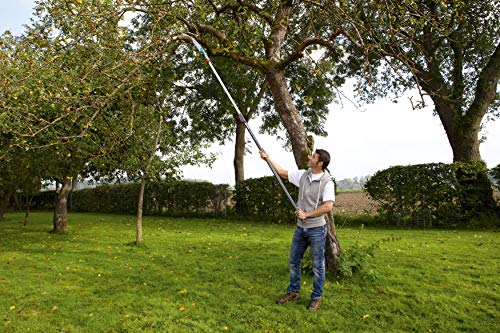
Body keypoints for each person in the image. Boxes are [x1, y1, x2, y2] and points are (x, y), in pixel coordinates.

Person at [259, 149, 335, 311]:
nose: (309, 157)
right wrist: (268, 157)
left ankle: (316, 297)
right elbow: (282, 172)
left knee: (317, 265)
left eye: (313, 157)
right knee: (294, 261)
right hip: (301, 229)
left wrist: (307, 214)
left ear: (320, 163)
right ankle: (293, 292)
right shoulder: (304, 175)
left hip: (317, 229)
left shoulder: (327, 182)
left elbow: (328, 206)